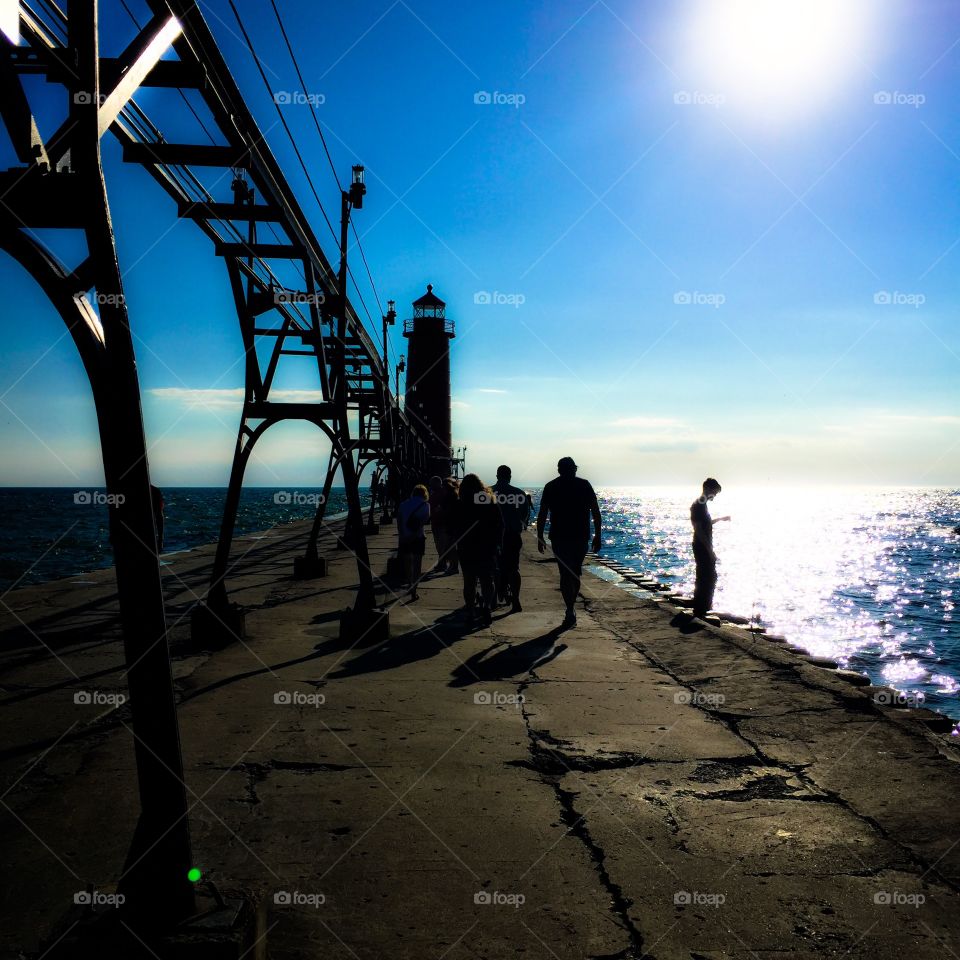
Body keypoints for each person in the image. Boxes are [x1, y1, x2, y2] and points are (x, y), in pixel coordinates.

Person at [536, 457, 601, 626]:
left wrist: (540, 536)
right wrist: (598, 535)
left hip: (560, 537)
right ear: (574, 469)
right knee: (574, 572)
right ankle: (570, 608)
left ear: (559, 470)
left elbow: (542, 513)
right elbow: (595, 512)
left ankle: (570, 607)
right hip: (579, 536)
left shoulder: (551, 486)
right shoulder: (584, 485)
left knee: (567, 573)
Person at [453, 474, 503, 626]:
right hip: (487, 547)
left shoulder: (460, 504)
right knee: (487, 580)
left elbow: (453, 526)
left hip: (466, 547)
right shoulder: (489, 501)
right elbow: (500, 524)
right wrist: (498, 544)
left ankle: (470, 611)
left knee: (469, 581)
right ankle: (487, 607)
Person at [690, 478, 730, 619]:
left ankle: (703, 607)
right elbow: (699, 530)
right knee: (707, 576)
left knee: (706, 576)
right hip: (702, 546)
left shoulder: (702, 505)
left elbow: (706, 524)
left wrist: (720, 519)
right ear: (707, 489)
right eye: (715, 492)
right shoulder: (698, 505)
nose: (715, 496)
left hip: (702, 546)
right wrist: (710, 550)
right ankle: (702, 608)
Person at [492, 464, 527, 612]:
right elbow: (524, 516)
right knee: (514, 568)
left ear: (497, 475)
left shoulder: (488, 493)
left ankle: (493, 599)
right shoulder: (519, 493)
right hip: (512, 535)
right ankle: (516, 601)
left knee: (494, 568)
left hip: (493, 536)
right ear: (510, 476)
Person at [397, 484, 430, 600]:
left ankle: (410, 583)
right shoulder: (426, 505)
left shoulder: (403, 504)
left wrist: (402, 535)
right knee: (417, 564)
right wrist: (413, 535)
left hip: (404, 537)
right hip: (418, 538)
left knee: (407, 562)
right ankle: (414, 590)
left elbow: (399, 522)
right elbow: (422, 523)